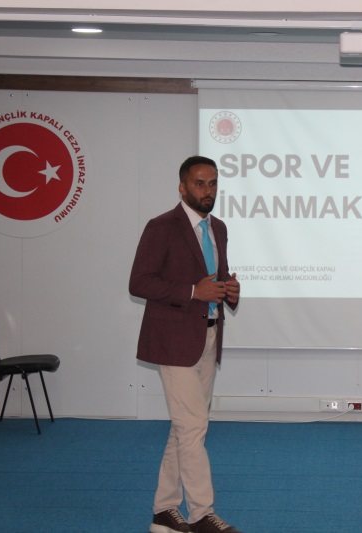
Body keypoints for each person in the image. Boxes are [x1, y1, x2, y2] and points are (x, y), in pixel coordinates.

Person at [130, 155, 242, 533]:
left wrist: (229, 291)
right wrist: (194, 292)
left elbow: (217, 279)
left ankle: (164, 511)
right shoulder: (161, 227)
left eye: (213, 183)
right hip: (173, 341)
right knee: (193, 427)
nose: (207, 191)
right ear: (182, 187)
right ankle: (201, 514)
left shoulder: (218, 228)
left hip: (208, 336)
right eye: (199, 183)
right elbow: (139, 282)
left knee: (186, 428)